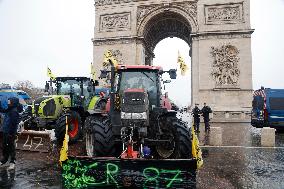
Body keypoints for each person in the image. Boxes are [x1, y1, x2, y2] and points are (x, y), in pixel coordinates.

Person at [0, 97, 23, 170]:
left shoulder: (14, 111)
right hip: (5, 131)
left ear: (13, 102)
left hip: (10, 132)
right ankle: (4, 160)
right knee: (4, 146)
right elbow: (3, 110)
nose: (8, 102)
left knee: (10, 147)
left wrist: (11, 133)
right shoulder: (10, 109)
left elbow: (14, 124)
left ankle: (12, 162)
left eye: (9, 101)